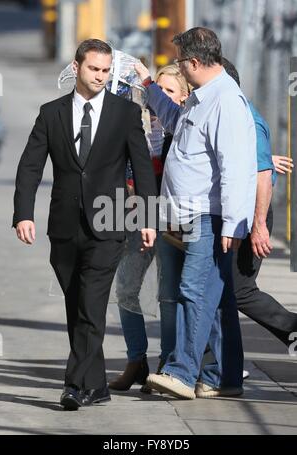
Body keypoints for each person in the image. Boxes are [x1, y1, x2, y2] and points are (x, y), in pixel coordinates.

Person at [12, 39, 157, 410]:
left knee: (91, 304)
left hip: (109, 223)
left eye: (107, 71)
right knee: (77, 304)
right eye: (94, 69)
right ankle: (97, 385)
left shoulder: (124, 113)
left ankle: (73, 385)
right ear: (76, 68)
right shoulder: (51, 113)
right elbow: (30, 165)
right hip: (63, 226)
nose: (101, 77)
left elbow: (141, 167)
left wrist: (147, 218)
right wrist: (23, 213)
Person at [138, 27, 257, 399]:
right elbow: (175, 122)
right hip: (195, 216)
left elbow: (237, 165)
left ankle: (182, 372)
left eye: (179, 64)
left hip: (212, 217)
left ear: (192, 62)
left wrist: (235, 222)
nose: (179, 70)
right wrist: (150, 88)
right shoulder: (202, 98)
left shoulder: (225, 102)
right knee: (219, 299)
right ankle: (224, 376)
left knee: (193, 290)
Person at [109, 65, 190, 392]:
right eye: (157, 90)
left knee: (168, 294)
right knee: (126, 286)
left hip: (172, 215)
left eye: (169, 92)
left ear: (182, 98)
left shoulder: (184, 127)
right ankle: (135, 360)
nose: (160, 99)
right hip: (137, 213)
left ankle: (167, 363)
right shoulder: (135, 124)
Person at [221, 58, 297, 347]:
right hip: (240, 213)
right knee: (224, 291)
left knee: (240, 291)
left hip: (253, 212)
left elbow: (262, 175)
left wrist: (259, 226)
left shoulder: (246, 119)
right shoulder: (228, 115)